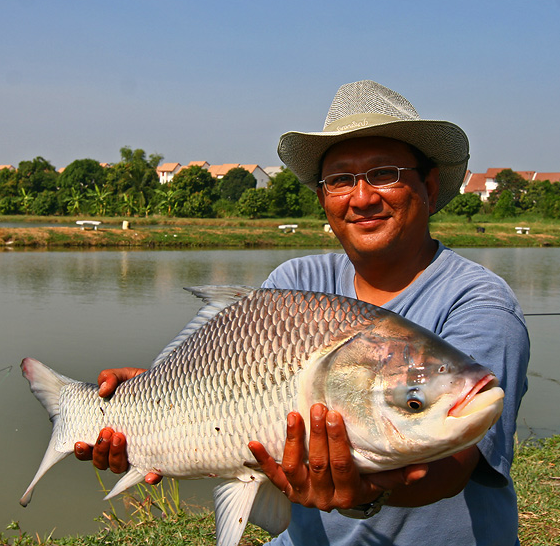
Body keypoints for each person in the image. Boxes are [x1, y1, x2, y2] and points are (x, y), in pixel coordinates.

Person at [76, 80, 530, 545]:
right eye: (339, 180)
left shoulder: (479, 301)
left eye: (385, 173)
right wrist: (160, 395)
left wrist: (363, 492)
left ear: (429, 186)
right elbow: (235, 398)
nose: (362, 197)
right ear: (323, 199)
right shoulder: (294, 282)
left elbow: (454, 465)